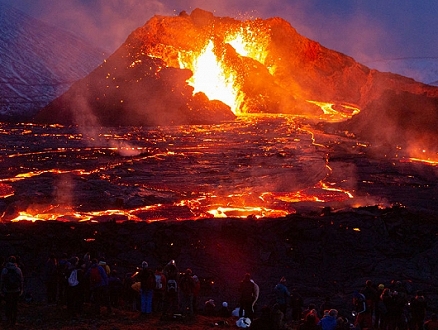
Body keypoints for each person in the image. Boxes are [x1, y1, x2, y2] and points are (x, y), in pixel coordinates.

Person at [0, 256, 24, 327]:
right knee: (15, 306)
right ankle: (14, 321)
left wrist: (1, 290)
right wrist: (21, 289)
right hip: (16, 290)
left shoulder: (5, 270)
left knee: (8, 305)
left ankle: (8, 320)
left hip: (7, 290)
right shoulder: (18, 270)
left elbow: (2, 280)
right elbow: (21, 280)